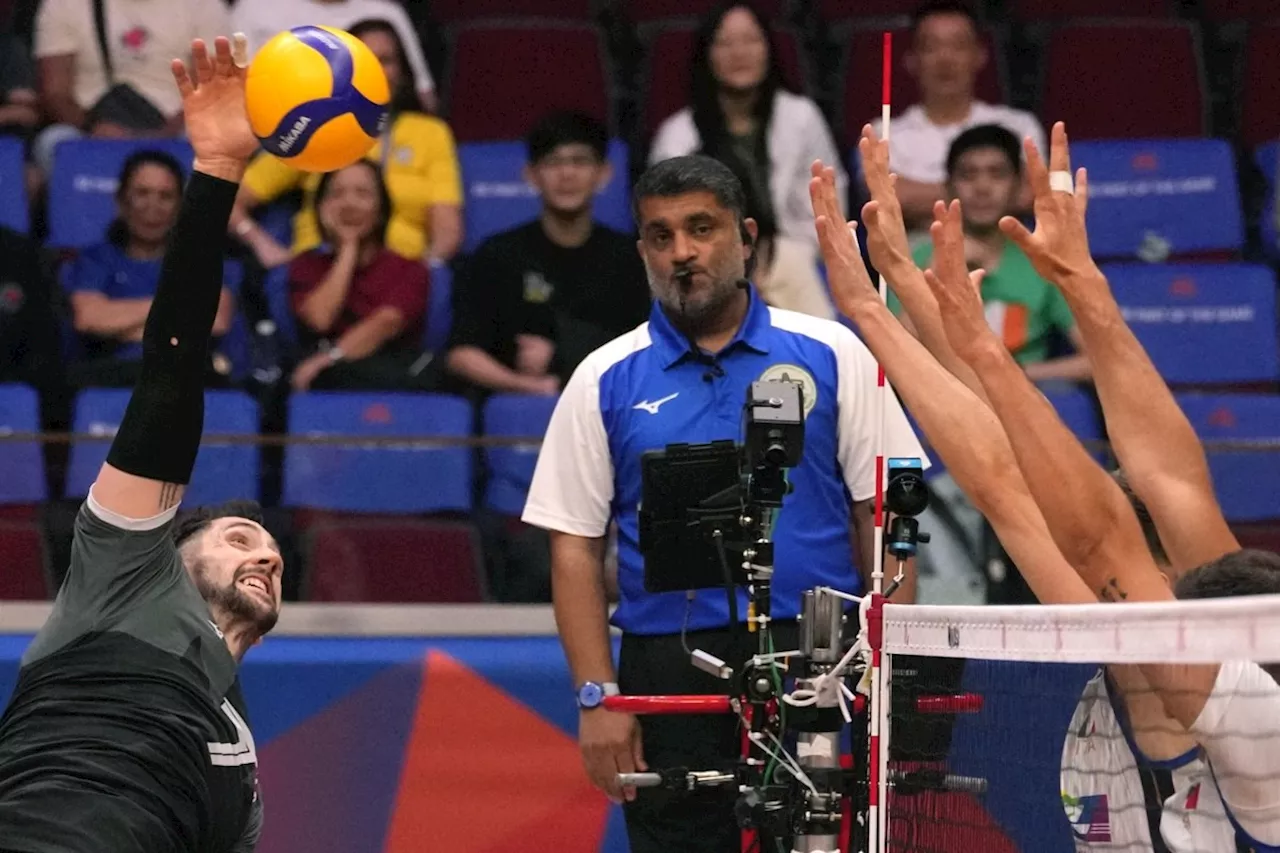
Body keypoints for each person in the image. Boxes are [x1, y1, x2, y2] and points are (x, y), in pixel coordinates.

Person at [815, 121, 1280, 850]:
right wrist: (889, 301)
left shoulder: (1252, 703)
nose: (1078, 550)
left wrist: (1035, 309)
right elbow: (1006, 480)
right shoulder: (1109, 669)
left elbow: (1102, 522)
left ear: (1158, 575)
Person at [521, 154, 927, 853]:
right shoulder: (600, 377)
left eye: (701, 228)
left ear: (745, 237)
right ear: (643, 248)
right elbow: (574, 547)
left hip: (822, 655)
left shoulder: (836, 352)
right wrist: (598, 699)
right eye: (660, 235)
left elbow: (886, 514)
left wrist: (896, 667)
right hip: (666, 668)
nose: (682, 252)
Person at [0, 34, 285, 853]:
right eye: (238, 537)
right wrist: (219, 174)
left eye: (269, 548)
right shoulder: (121, 579)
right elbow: (170, 375)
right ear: (169, 551)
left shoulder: (238, 745)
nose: (266, 556)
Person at [895, 123, 1089, 603]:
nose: (982, 186)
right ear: (949, 187)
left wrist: (1021, 378)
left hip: (1026, 422)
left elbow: (1093, 360)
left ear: (1018, 186)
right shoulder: (920, 257)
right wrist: (949, 272)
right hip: (947, 419)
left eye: (996, 173)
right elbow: (896, 351)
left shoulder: (1041, 262)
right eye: (969, 174)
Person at [229, 17, 462, 269]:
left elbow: (447, 230)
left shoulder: (430, 133)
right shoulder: (315, 129)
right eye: (366, 61)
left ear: (403, 72)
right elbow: (227, 201)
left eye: (386, 61)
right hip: (316, 277)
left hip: (396, 280)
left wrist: (416, 281)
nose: (377, 71)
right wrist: (265, 247)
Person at [446, 111, 650, 397]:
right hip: (516, 411)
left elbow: (649, 352)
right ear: (531, 175)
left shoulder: (633, 259)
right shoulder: (496, 256)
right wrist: (526, 386)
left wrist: (564, 353)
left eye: (580, 161)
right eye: (553, 162)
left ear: (604, 174)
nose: (567, 174)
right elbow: (461, 355)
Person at [648, 2, 845, 258]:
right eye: (724, 43)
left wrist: (774, 257)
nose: (739, 53)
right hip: (705, 263)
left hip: (792, 258)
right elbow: (666, 223)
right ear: (706, 54)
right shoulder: (677, 136)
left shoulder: (801, 117)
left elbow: (829, 208)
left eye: (751, 40)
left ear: (768, 48)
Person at [62, 148, 238, 388]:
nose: (152, 206)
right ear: (122, 201)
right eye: (142, 193)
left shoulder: (202, 260)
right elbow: (88, 318)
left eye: (165, 196)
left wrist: (119, 325)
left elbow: (215, 321)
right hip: (110, 378)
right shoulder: (97, 259)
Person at [868, 1, 1044, 231]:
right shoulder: (883, 131)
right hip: (919, 255)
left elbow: (1033, 194)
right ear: (911, 60)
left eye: (958, 46)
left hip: (1006, 253)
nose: (945, 59)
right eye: (931, 47)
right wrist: (993, 193)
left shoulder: (1019, 125)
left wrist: (925, 198)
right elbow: (890, 200)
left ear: (980, 55)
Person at [31, 0, 231, 171]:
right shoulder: (64, 4)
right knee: (53, 142)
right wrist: (93, 127)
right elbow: (55, 92)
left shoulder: (204, 5)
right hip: (91, 126)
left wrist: (168, 132)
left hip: (178, 125)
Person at [287, 158, 432, 392]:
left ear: (382, 210)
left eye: (363, 194)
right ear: (321, 207)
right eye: (337, 194)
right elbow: (320, 320)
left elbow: (385, 323)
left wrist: (330, 359)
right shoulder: (306, 264)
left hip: (390, 380)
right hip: (323, 382)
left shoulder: (411, 269)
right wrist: (348, 249)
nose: (349, 203)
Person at [230, 0, 436, 112]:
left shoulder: (385, 11)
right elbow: (232, 88)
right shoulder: (254, 7)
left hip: (377, 135)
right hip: (273, 136)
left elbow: (421, 95)